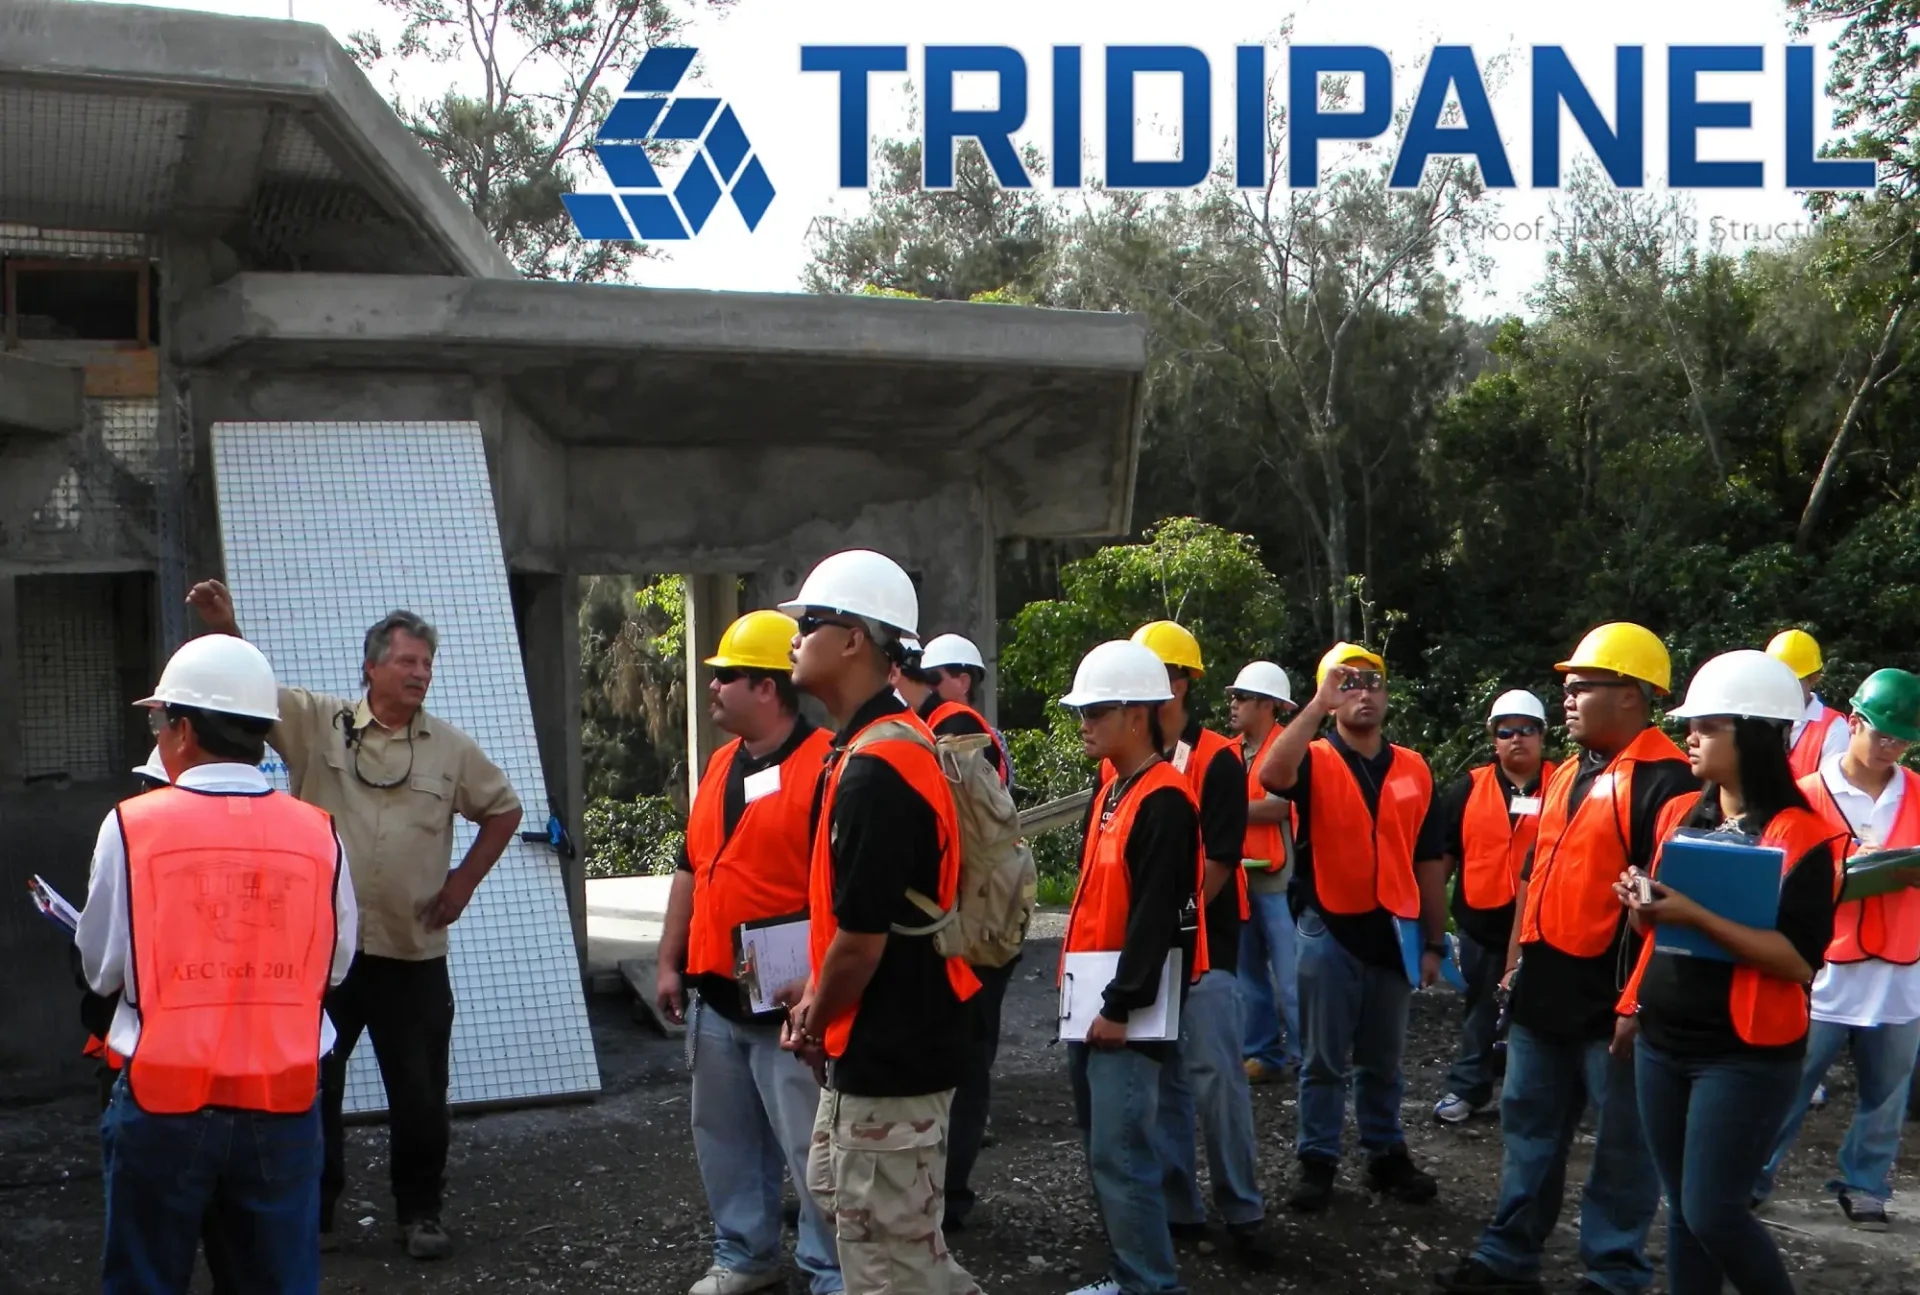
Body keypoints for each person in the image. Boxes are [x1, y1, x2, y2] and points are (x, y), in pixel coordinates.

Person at [185, 579, 523, 1260]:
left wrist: (461, 884)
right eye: (408, 661)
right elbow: (259, 695)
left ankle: (420, 1212)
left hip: (412, 950)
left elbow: (504, 809)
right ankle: (314, 1210)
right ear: (372, 666)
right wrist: (225, 624)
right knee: (312, 1086)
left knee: (421, 1093)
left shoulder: (451, 749)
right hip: (321, 951)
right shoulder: (319, 723)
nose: (420, 673)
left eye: (427, 664)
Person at [75, 634, 357, 1294]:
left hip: (163, 1103)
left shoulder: (132, 824)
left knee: (145, 1279)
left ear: (182, 728)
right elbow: (336, 966)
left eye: (159, 718)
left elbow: (101, 968)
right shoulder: (319, 831)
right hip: (283, 1102)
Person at [1436, 622, 1697, 1295]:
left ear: (1634, 695)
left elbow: (1668, 912)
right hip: (1542, 990)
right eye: (1568, 688)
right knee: (1528, 1129)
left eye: (1584, 687)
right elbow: (1533, 872)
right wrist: (1515, 960)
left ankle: (1613, 1273)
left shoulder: (1668, 783)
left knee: (1621, 1146)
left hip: (1611, 1003)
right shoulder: (1567, 774)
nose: (1569, 700)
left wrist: (1635, 1001)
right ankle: (1507, 1256)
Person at [776, 549, 981, 1295]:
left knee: (891, 1266)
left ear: (856, 638)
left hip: (893, 1046)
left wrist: (809, 1015)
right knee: (866, 1222)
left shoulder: (876, 767)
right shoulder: (868, 748)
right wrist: (817, 1004)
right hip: (881, 1042)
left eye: (813, 623)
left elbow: (862, 944)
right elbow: (858, 925)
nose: (796, 636)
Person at [1613, 650, 1844, 1295]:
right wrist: (1644, 908)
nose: (1691, 735)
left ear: (1757, 734)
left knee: (1714, 1211)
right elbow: (1657, 934)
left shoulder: (1806, 837)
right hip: (1664, 1040)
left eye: (1708, 725)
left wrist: (1693, 912)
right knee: (1684, 1211)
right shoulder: (1679, 813)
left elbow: (1798, 961)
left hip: (1743, 1054)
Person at [654, 610, 840, 1295]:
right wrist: (670, 960)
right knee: (725, 1141)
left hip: (792, 1001)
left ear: (767, 687)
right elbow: (690, 865)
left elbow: (843, 891)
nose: (713, 688)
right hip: (716, 992)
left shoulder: (826, 765)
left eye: (726, 676)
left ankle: (831, 1270)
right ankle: (745, 1255)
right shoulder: (722, 763)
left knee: (810, 1145)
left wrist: (822, 988)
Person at [1256, 642, 1448, 1213]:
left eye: (1373, 683)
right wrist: (1315, 704)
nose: (1363, 693)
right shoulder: (1314, 756)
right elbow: (1271, 773)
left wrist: (1435, 942)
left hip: (1393, 931)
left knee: (1383, 1060)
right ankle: (1317, 1162)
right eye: (1349, 684)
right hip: (1328, 927)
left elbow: (1430, 859)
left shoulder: (1414, 766)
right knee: (1321, 1058)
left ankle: (1385, 1156)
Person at [1057, 639, 1207, 1295]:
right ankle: (1133, 1273)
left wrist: (1121, 1005)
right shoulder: (1116, 789)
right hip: (1094, 1001)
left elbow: (1155, 914)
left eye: (1095, 710)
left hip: (1122, 1009)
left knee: (1120, 1153)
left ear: (1135, 714)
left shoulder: (1165, 799)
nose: (1083, 722)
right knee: (1106, 1150)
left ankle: (1150, 1282)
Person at [72, 748, 246, 1295]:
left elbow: (100, 969)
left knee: (149, 1257)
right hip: (238, 1090)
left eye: (156, 785)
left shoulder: (131, 839)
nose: (147, 797)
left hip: (158, 1085)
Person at [1128, 621, 1271, 1265]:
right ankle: (1179, 1208)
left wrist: (1167, 924)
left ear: (1184, 682)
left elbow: (1219, 860)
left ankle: (1243, 1210)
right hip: (1148, 949)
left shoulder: (1217, 757)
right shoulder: (1125, 757)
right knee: (1162, 1085)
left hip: (1206, 946)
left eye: (1159, 674)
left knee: (1216, 1080)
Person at [1755, 667, 1920, 1228]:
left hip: (1901, 968)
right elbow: (1777, 878)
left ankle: (1867, 1184)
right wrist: (1849, 870)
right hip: (1823, 969)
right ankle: (1753, 1174)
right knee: (1788, 1082)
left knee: (1887, 1093)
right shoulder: (1804, 797)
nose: (1890, 748)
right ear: (1854, 722)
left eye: (1901, 740)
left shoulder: (1918, 793)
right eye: (1883, 735)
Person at [893, 630, 1015, 1233]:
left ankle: (950, 1196)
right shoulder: (967, 732)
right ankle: (941, 1192)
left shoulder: (953, 733)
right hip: (982, 922)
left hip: (969, 929)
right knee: (961, 1061)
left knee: (962, 1066)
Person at [1433, 691, 1556, 1125]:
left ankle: (1533, 1100)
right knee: (1479, 1011)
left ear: (1542, 735)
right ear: (1494, 738)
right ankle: (1469, 1089)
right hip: (1481, 923)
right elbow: (1442, 853)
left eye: (1526, 730)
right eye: (1506, 731)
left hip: (1544, 925)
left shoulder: (1564, 784)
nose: (1517, 739)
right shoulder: (1469, 786)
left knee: (1540, 1018)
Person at [1227, 661, 1302, 1084]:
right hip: (1238, 879)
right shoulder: (1227, 752)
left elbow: (1280, 805)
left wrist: (1225, 811)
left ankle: (1306, 1057)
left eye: (1242, 698)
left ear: (1269, 705)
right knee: (1247, 975)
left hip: (1279, 881)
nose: (1233, 705)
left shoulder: (1287, 748)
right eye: (1234, 697)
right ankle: (1262, 1055)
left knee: (1292, 980)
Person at [1765, 629, 1850, 780]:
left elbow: (1828, 795)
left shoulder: (1834, 728)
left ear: (1814, 678)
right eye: (1776, 678)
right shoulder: (1755, 716)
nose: (1781, 687)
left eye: (1791, 680)